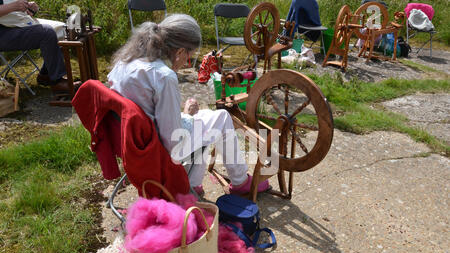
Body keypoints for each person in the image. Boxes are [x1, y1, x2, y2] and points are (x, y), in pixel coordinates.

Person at [107, 14, 270, 196]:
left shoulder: (125, 62)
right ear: (179, 52)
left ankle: (193, 183)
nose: (188, 61)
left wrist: (188, 119)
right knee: (221, 118)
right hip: (155, 147)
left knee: (206, 123)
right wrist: (187, 115)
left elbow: (147, 109)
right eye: (189, 56)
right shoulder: (163, 76)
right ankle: (240, 182)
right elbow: (172, 140)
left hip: (130, 141)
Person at [0, 0, 70, 92]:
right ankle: (57, 81)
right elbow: (10, 8)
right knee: (46, 32)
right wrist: (13, 6)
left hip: (14, 25)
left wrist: (28, 9)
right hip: (3, 33)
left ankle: (46, 75)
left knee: (61, 28)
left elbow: (14, 14)